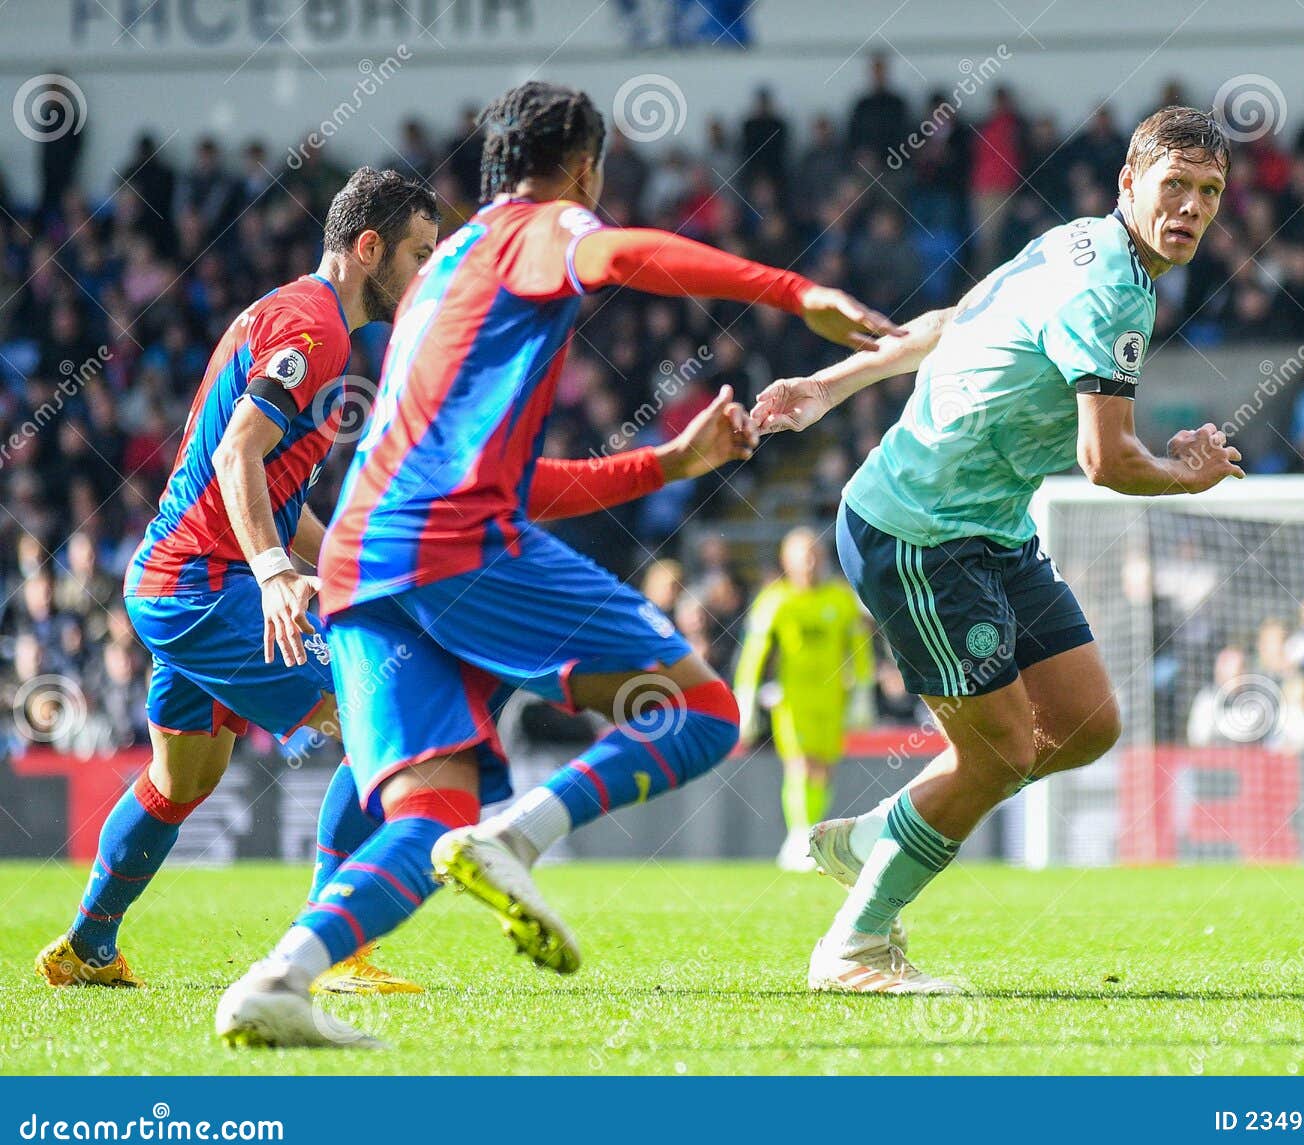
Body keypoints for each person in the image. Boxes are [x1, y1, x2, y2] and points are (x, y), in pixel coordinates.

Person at [215, 80, 896, 1048]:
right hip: (448, 541)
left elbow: (525, 483)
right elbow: (624, 253)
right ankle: (521, 833)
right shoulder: (537, 228)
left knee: (426, 817)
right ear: (585, 166)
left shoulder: (444, 267)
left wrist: (669, 462)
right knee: (701, 713)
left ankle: (283, 977)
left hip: (363, 563)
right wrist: (796, 291)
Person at [753, 106, 1243, 993]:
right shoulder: (1111, 290)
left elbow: (957, 318)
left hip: (992, 528)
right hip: (919, 533)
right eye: (1175, 185)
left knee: (1087, 724)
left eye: (1209, 193)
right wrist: (1186, 475)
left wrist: (827, 386)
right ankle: (854, 949)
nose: (1192, 208)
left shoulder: (1080, 242)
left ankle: (879, 834)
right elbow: (1105, 460)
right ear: (1130, 183)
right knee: (1002, 753)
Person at [34, 168, 441, 994]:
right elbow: (236, 455)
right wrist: (274, 573)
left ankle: (88, 948)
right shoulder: (314, 328)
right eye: (420, 254)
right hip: (206, 584)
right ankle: (332, 951)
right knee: (374, 720)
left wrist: (338, 568)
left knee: (183, 779)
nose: (428, 272)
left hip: (179, 582)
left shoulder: (297, 314)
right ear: (370, 249)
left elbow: (274, 489)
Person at [734, 526, 873, 869]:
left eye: (814, 555)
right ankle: (798, 836)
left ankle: (811, 833)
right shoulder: (775, 600)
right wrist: (746, 697)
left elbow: (859, 648)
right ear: (787, 561)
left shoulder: (839, 599)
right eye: (802, 556)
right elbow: (754, 653)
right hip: (793, 697)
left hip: (831, 696)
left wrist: (864, 693)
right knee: (799, 763)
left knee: (823, 768)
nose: (809, 563)